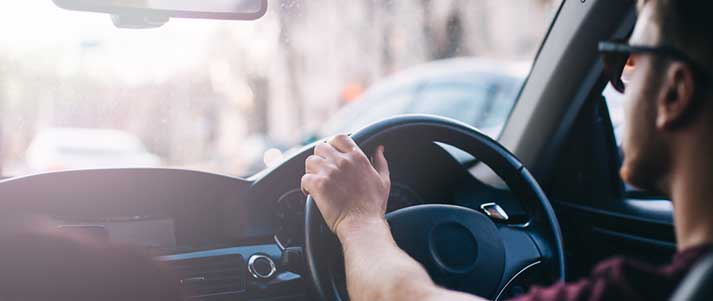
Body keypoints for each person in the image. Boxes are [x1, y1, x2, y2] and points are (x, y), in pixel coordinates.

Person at [300, 0, 713, 300]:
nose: (621, 83)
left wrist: (357, 220)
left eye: (628, 60)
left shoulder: (637, 292)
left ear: (674, 92)